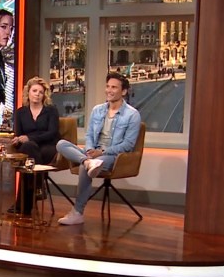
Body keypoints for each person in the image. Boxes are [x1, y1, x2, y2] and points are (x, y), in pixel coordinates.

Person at [56, 72, 142, 226]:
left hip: (113, 155)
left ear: (123, 91)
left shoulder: (132, 115)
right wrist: (90, 151)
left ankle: (77, 212)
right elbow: (89, 135)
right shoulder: (97, 110)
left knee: (84, 168)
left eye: (114, 87)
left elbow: (128, 145)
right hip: (92, 152)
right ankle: (87, 162)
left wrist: (102, 152)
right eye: (108, 86)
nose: (109, 90)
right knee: (61, 144)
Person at [10, 76, 60, 215]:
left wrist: (29, 137)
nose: (37, 94)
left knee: (28, 160)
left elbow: (52, 133)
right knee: (29, 148)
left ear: (44, 95)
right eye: (34, 91)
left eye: (41, 92)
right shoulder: (20, 112)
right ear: (28, 92)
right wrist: (17, 140)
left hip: (48, 147)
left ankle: (21, 206)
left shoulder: (51, 110)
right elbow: (19, 134)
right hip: (28, 147)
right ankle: (38, 186)